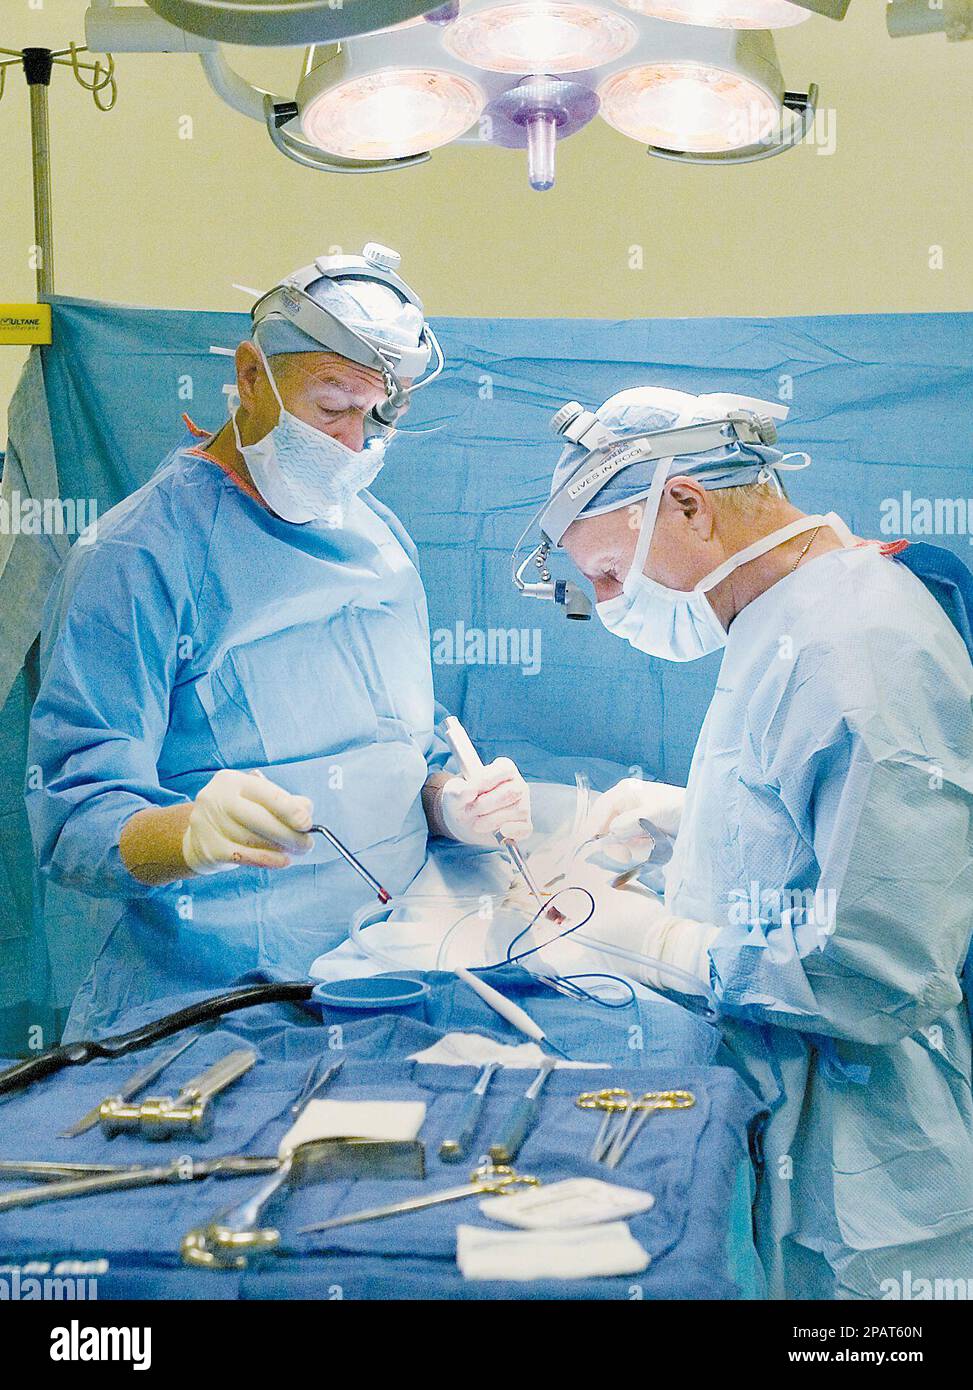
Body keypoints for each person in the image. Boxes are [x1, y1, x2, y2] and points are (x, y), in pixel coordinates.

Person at [27, 244, 531, 1040]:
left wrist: (449, 803)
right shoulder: (134, 559)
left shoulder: (376, 537)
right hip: (222, 1003)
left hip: (398, 965)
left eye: (377, 414)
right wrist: (189, 835)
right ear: (252, 376)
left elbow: (402, 746)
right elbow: (74, 822)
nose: (354, 441)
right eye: (332, 406)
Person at [534, 385, 973, 1299]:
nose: (610, 605)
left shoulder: (852, 644)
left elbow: (878, 964)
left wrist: (663, 944)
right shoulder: (792, 609)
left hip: (872, 1148)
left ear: (686, 504)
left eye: (612, 573)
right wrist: (693, 821)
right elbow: (824, 825)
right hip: (805, 1109)